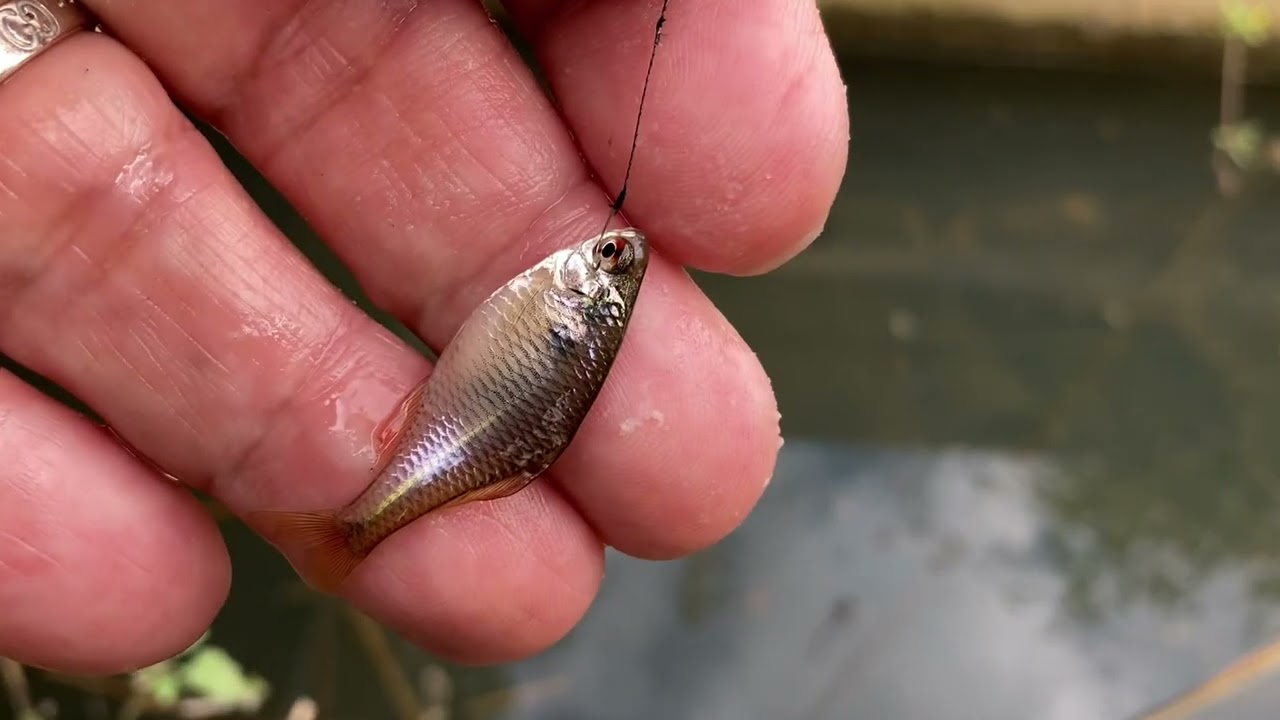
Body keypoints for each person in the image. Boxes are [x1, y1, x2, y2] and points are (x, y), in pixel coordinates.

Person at [0, 0, 849, 674]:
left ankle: (349, 533)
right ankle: (348, 536)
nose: (608, 255)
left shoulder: (578, 303)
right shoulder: (573, 300)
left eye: (612, 260)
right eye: (615, 258)